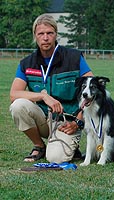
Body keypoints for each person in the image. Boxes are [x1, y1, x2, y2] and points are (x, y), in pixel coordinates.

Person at [9, 14, 93, 163]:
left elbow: (92, 92)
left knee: (56, 158)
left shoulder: (74, 57)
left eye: (50, 33)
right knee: (18, 105)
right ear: (35, 36)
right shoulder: (27, 63)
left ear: (56, 35)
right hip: (43, 118)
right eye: (41, 34)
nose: (45, 38)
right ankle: (39, 145)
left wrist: (78, 122)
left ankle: (69, 145)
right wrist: (43, 97)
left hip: (68, 121)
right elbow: (14, 94)